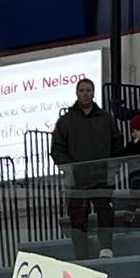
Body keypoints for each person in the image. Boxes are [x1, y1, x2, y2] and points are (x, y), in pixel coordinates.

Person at [49, 77, 123, 260]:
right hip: (77, 182)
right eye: (82, 90)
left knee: (105, 214)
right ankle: (81, 256)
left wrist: (112, 168)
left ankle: (106, 248)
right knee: (78, 220)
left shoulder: (106, 119)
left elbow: (118, 145)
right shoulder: (65, 121)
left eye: (88, 90)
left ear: (93, 92)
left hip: (102, 178)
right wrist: (70, 169)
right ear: (77, 93)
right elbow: (56, 149)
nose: (85, 93)